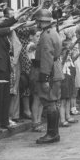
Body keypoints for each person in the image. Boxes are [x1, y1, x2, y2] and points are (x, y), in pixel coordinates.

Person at [33, 8, 63, 144]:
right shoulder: (53, 32)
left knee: (50, 103)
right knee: (54, 102)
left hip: (49, 72)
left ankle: (51, 134)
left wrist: (44, 78)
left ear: (40, 21)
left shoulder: (46, 35)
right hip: (55, 70)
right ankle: (54, 133)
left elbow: (46, 58)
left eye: (37, 21)